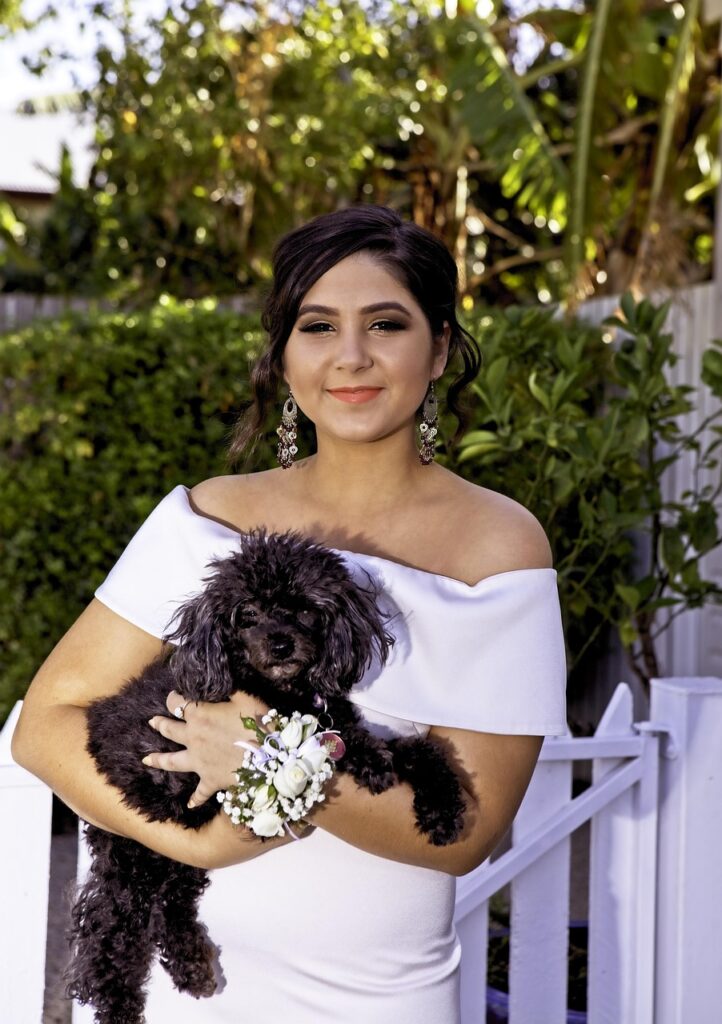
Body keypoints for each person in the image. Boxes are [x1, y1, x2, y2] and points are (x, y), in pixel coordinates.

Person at [12, 204, 567, 1023]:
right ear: (283, 352)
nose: (350, 357)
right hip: (184, 998)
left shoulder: (499, 545)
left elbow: (466, 831)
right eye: (317, 326)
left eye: (385, 323)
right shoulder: (204, 517)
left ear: (440, 346)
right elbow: (44, 724)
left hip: (380, 999)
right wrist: (192, 844)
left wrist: (267, 758)